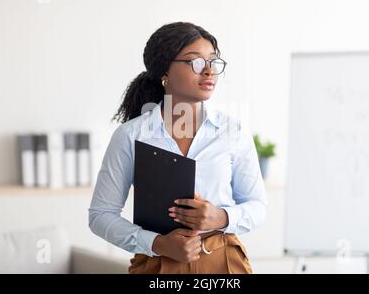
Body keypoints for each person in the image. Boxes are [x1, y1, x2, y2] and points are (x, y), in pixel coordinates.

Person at [89, 22, 267, 274]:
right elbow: (100, 215)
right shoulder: (130, 136)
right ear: (165, 72)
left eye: (213, 62)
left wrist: (221, 217)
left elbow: (257, 206)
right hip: (157, 264)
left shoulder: (233, 132)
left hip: (223, 264)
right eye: (195, 62)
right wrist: (157, 243)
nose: (208, 71)